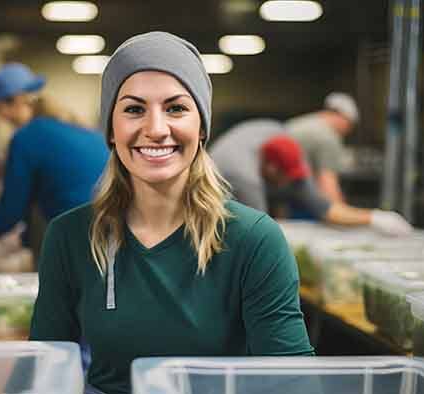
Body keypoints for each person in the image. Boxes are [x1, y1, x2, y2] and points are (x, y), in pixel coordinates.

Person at [30, 32, 314, 394]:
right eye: (134, 109)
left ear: (201, 127)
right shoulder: (70, 236)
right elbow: (43, 371)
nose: (156, 129)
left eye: (176, 108)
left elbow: (292, 381)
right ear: (112, 130)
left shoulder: (254, 239)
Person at [0, 63, 110, 257]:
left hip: (81, 238)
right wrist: (25, 237)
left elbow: (12, 208)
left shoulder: (26, 138)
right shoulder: (74, 127)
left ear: (4, 105)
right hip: (110, 233)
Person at [209, 121, 412, 235]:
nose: (292, 183)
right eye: (286, 177)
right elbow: (260, 233)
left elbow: (324, 208)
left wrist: (373, 217)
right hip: (215, 192)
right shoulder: (243, 176)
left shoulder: (290, 156)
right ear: (271, 170)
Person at [286, 92, 358, 203]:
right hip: (293, 196)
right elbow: (328, 185)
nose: (348, 131)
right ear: (342, 118)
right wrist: (345, 213)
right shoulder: (328, 136)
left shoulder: (298, 123)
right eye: (349, 125)